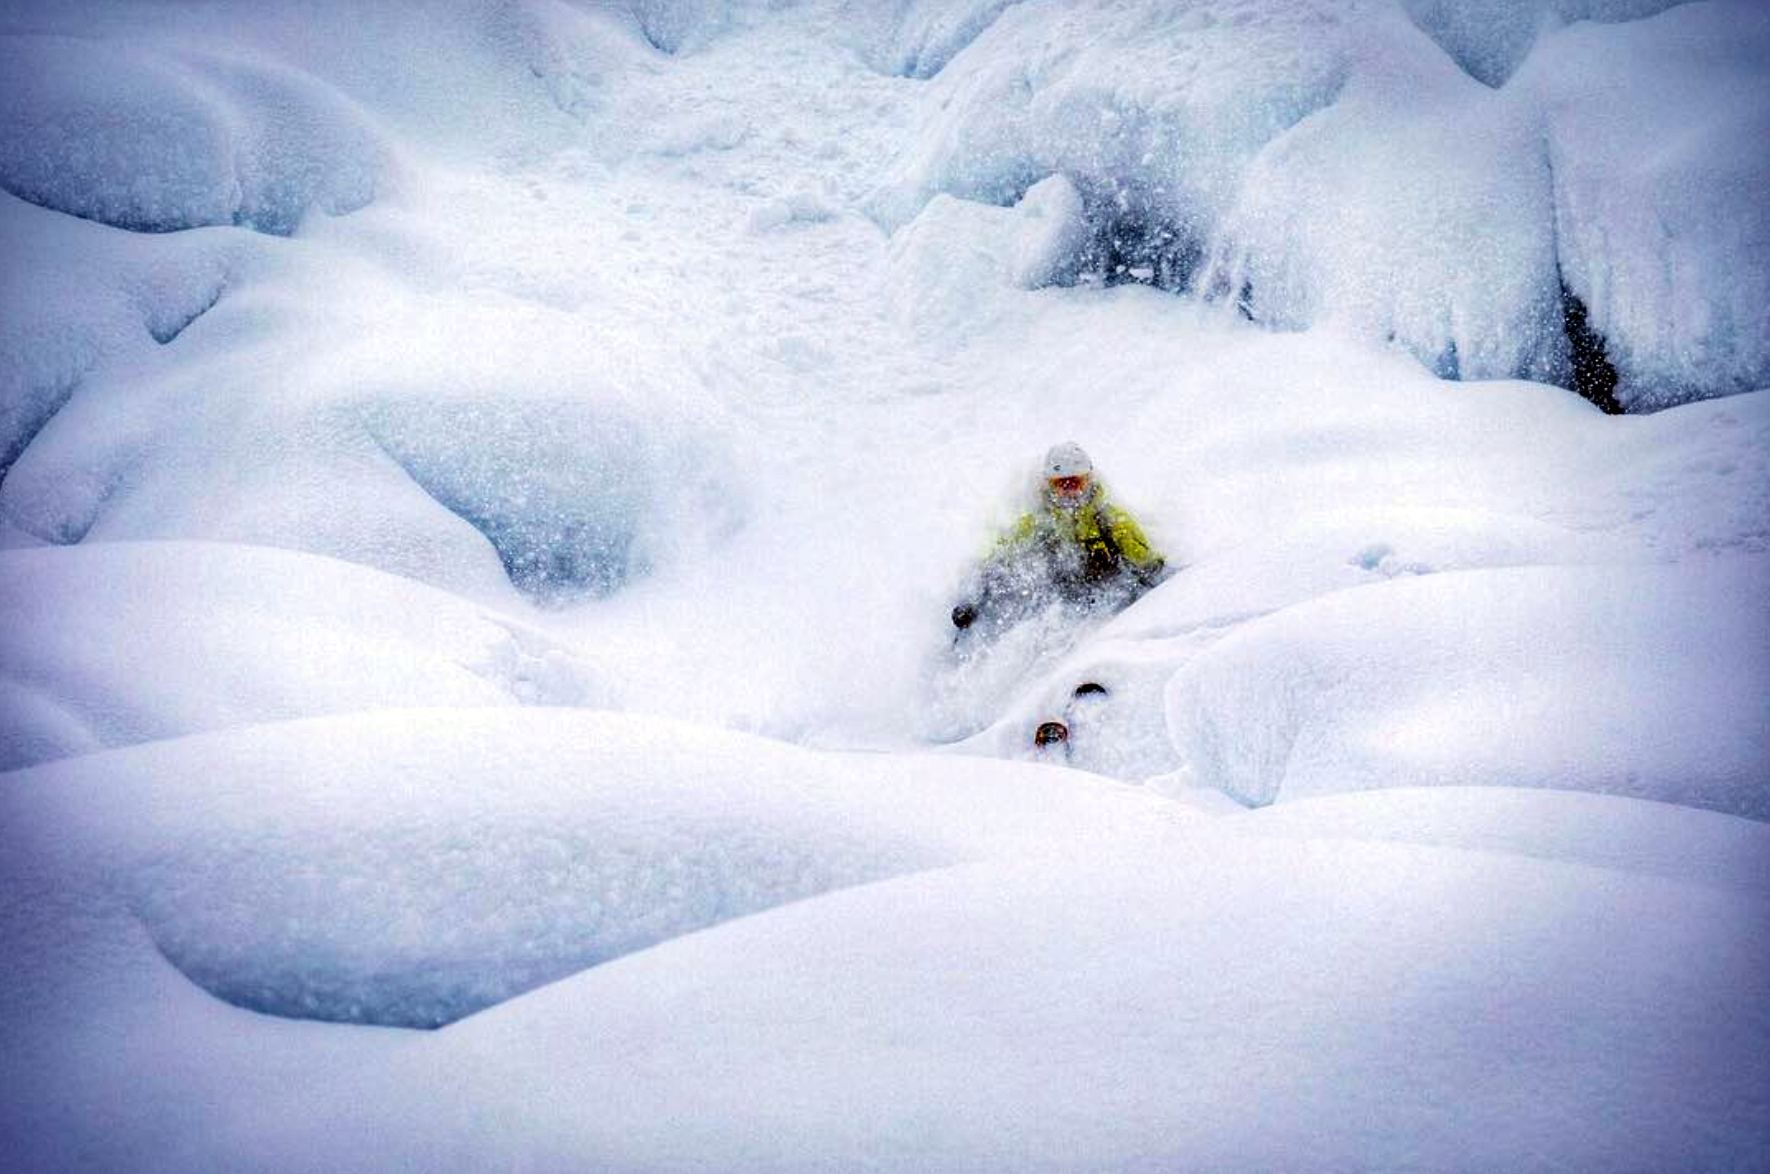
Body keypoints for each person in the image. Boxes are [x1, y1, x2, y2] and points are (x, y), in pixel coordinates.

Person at [951, 441, 1168, 637]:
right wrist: (971, 601)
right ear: (1048, 485)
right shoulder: (1038, 524)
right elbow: (997, 559)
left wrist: (1160, 577)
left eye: (1076, 483)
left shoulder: (1112, 520)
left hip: (1109, 609)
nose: (1069, 492)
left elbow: (1148, 563)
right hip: (1063, 609)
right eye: (1060, 484)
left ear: (1089, 480)